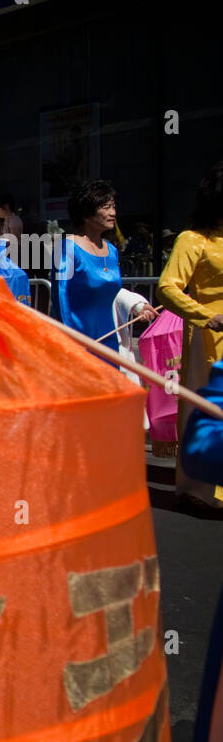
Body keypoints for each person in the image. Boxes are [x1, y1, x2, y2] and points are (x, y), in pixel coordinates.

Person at [158, 160, 223, 510]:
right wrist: (205, 315)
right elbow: (167, 288)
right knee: (211, 408)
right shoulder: (193, 240)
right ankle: (203, 488)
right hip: (210, 336)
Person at [53, 179, 157, 377]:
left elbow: (113, 291)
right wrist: (72, 340)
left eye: (114, 206)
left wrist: (138, 306)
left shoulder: (112, 251)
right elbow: (60, 299)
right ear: (86, 212)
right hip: (80, 340)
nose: (113, 213)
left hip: (111, 338)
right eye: (105, 207)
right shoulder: (66, 248)